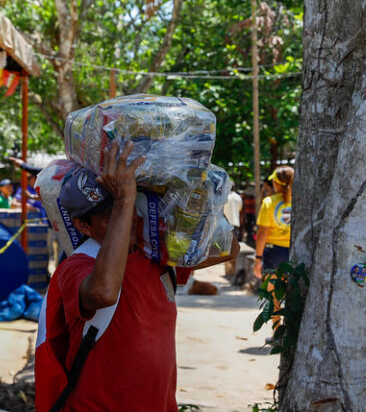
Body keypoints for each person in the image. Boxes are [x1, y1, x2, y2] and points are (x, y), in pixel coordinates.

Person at [35, 142, 236, 411]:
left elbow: (228, 248)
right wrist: (124, 200)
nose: (128, 218)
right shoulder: (77, 267)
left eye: (132, 210)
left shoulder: (157, 258)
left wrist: (200, 193)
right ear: (83, 225)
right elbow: (103, 293)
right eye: (111, 214)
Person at [254, 166, 294, 279]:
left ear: (276, 183)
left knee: (272, 292)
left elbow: (263, 232)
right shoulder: (301, 201)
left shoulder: (269, 202)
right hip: (294, 251)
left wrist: (258, 258)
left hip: (273, 252)